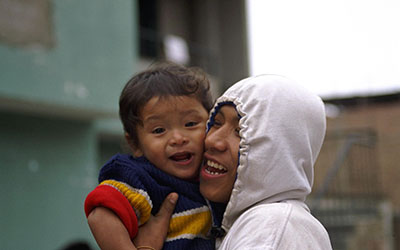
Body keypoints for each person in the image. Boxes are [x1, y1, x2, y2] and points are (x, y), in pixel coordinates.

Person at [84, 62, 215, 250]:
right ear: (135, 144)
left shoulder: (217, 174)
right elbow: (101, 217)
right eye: (159, 130)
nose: (178, 138)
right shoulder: (142, 179)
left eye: (190, 123)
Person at [199, 74, 333, 249]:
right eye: (216, 123)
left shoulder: (271, 226)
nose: (212, 141)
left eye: (240, 131)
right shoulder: (252, 222)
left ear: (279, 152)